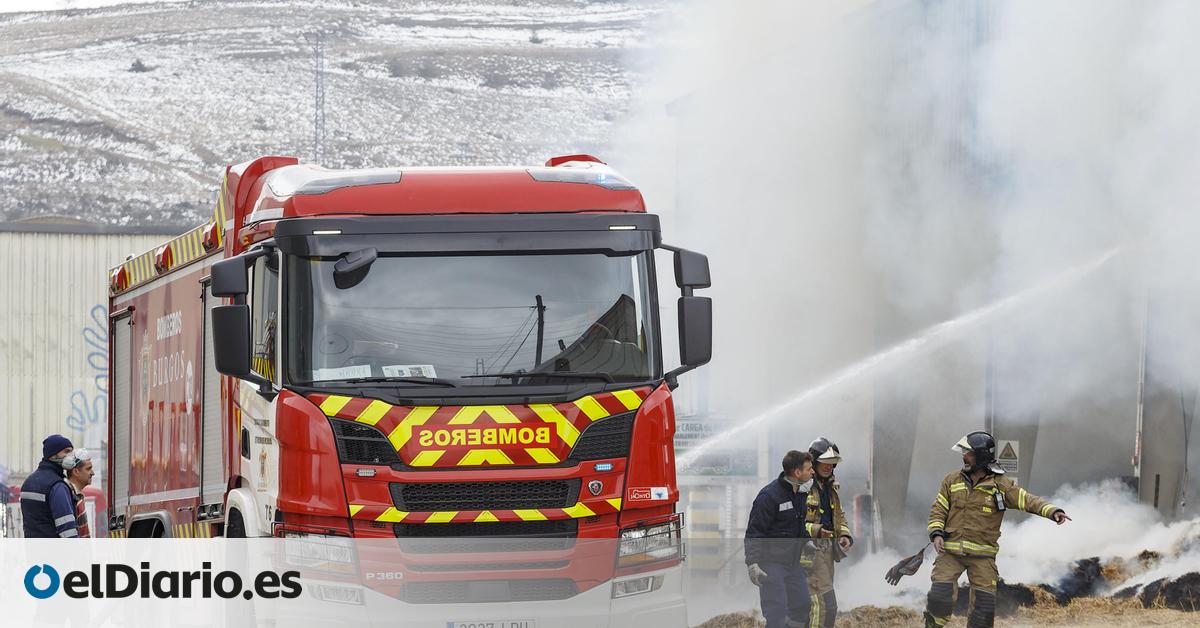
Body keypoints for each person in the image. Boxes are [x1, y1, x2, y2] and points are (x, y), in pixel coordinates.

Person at [924, 431, 1071, 628]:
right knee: (939, 598)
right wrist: (936, 534)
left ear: (981, 456)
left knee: (983, 613)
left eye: (968, 453)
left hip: (983, 557)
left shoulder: (1000, 485)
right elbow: (938, 509)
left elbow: (1027, 500)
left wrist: (1052, 511)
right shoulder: (951, 480)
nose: (964, 457)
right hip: (950, 553)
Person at [745, 450, 820, 628]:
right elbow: (754, 532)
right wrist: (752, 563)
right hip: (771, 564)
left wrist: (807, 541)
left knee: (802, 605)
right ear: (797, 473)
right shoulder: (769, 497)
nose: (813, 472)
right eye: (809, 469)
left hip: (793, 564)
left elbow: (799, 524)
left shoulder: (800, 493)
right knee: (776, 613)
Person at [802, 437, 853, 628]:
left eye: (832, 463)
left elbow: (838, 514)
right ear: (814, 461)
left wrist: (845, 535)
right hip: (810, 554)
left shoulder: (830, 487)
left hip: (826, 553)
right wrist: (816, 530)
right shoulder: (804, 487)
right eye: (825, 462)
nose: (829, 467)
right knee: (824, 606)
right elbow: (793, 522)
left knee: (819, 607)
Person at [19, 435, 81, 538]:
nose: (70, 456)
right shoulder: (57, 485)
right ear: (52, 455)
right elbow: (68, 531)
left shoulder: (28, 482)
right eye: (66, 451)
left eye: (71, 452)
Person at [63, 449, 94, 538]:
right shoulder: (67, 495)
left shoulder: (74, 495)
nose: (92, 473)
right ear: (76, 471)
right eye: (88, 469)